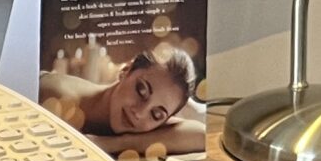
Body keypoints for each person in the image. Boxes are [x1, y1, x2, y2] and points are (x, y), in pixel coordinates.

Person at [39, 43, 203, 151]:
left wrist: (115, 144)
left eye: (156, 114)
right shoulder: (55, 96)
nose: (139, 113)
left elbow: (200, 135)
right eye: (141, 91)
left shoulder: (145, 125)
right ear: (125, 70)